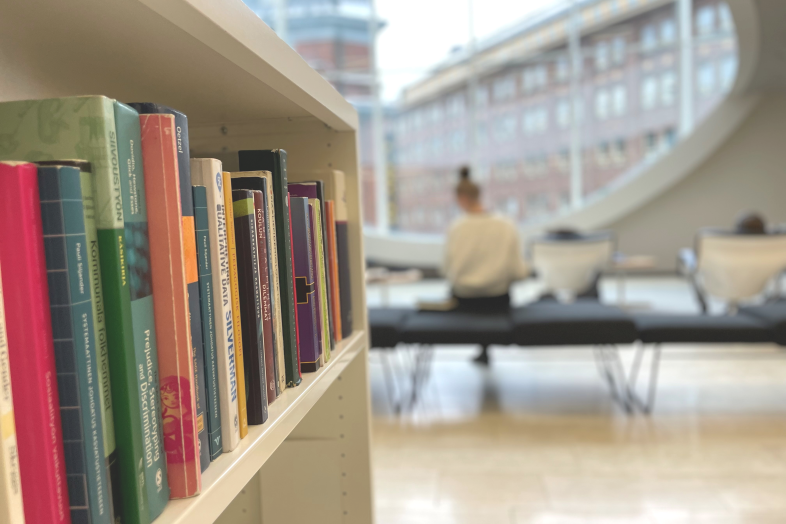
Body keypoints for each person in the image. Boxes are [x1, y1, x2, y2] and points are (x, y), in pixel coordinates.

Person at [443, 166, 530, 364]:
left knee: (461, 290)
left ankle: (482, 350)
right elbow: (519, 272)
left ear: (460, 198)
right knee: (496, 289)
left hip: (464, 301)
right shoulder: (506, 224)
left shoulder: (457, 227)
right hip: (498, 300)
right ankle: (485, 349)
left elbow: (447, 271)